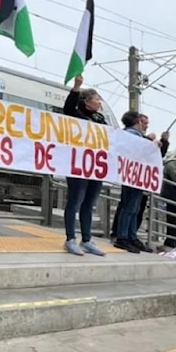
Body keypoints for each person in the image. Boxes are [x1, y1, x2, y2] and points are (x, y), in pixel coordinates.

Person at [60, 75, 106, 256]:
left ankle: (87, 240)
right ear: (86, 102)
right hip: (77, 165)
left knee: (89, 204)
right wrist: (76, 87)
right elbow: (68, 108)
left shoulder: (100, 119)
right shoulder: (76, 115)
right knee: (75, 202)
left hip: (96, 166)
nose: (99, 103)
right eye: (96, 99)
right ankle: (70, 239)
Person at [111, 111, 153, 253]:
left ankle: (131, 236)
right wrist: (152, 144)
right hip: (132, 175)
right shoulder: (131, 135)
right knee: (129, 207)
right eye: (143, 123)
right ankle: (122, 237)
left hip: (136, 175)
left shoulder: (135, 135)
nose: (145, 126)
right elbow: (137, 150)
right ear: (137, 121)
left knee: (134, 208)